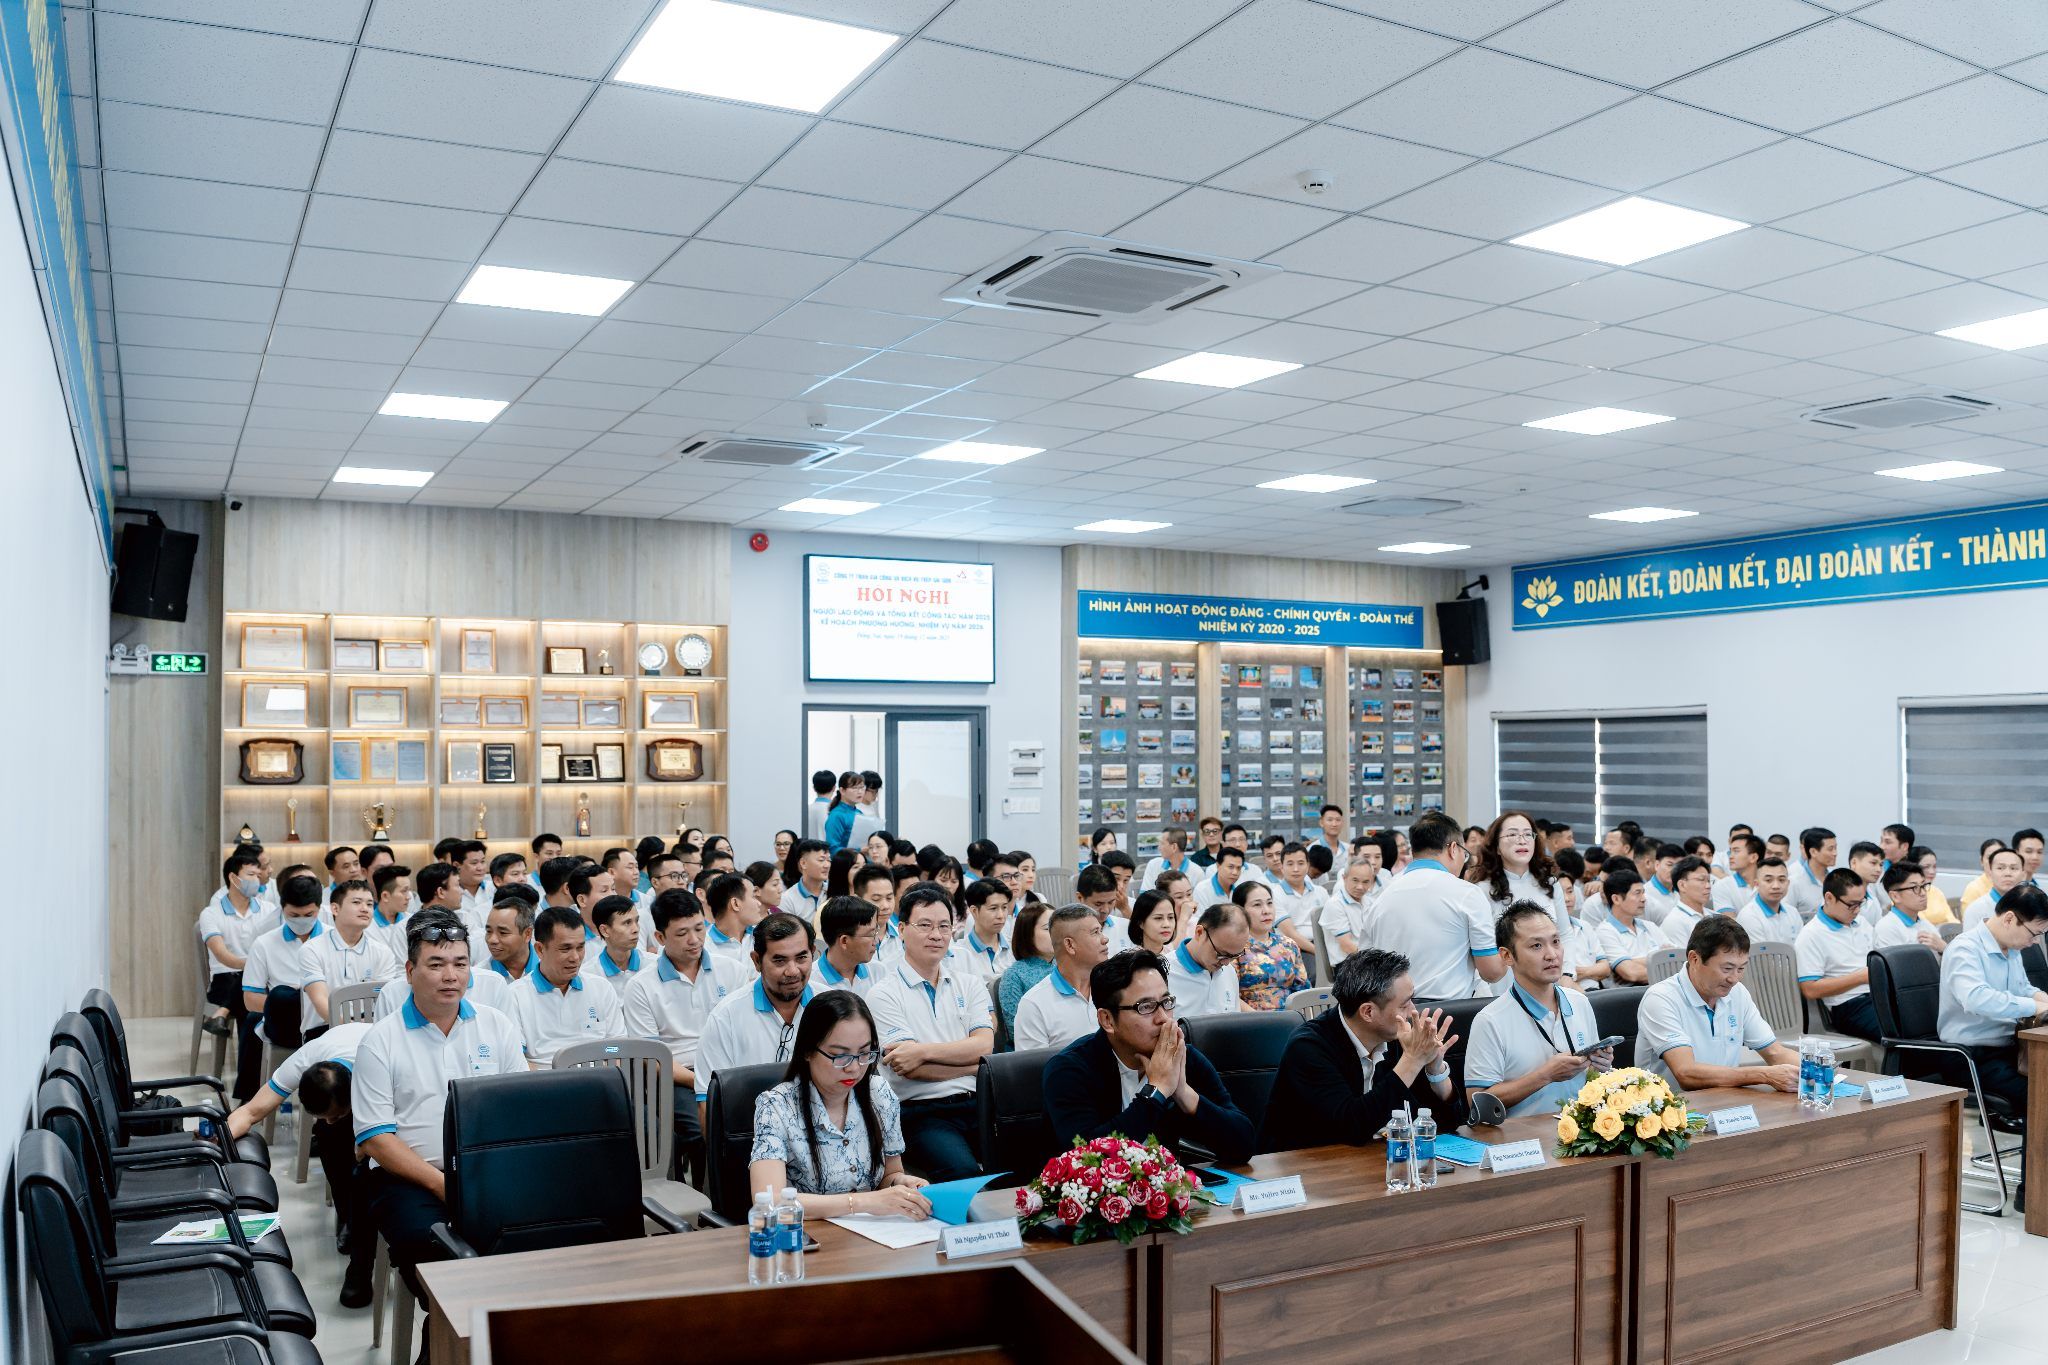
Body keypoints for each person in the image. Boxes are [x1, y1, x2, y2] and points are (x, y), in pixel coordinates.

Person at [352, 912, 528, 1299]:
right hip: (408, 1179)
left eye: (460, 964)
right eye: (436, 965)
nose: (451, 976)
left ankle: (495, 1324)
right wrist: (444, 1186)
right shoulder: (380, 1041)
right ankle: (449, 1330)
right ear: (410, 971)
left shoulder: (497, 1026)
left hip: (487, 1171)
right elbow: (377, 1140)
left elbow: (518, 1110)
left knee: (539, 1238)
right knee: (436, 1251)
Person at [1041, 949, 1255, 1165]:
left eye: (1166, 1002)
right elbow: (1087, 1159)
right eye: (1146, 1007)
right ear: (1107, 1020)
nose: (1163, 1018)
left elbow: (1244, 1145)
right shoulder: (1069, 1070)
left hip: (1166, 1184)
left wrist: (1183, 1093)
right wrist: (1156, 1091)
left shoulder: (1181, 1057)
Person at [222, 1020, 375, 1305]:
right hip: (348, 1081)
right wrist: (218, 1141)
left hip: (391, 1104)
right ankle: (349, 1217)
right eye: (323, 1115)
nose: (331, 1120)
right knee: (330, 1138)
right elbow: (251, 1111)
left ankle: (361, 1263)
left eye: (336, 1114)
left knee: (367, 1169)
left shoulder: (381, 1063)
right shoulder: (305, 1059)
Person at [747, 990, 931, 1219]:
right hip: (806, 1233)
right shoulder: (776, 1106)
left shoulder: (879, 1093)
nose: (854, 1068)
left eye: (864, 1053)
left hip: (872, 1231)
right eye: (840, 1056)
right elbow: (771, 1201)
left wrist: (901, 1184)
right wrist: (862, 1202)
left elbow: (890, 1174)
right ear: (807, 1051)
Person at [1262, 947, 1459, 1152]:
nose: (1412, 1011)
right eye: (1404, 1004)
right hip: (1309, 1163)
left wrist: (1435, 1071)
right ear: (1368, 1012)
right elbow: (1352, 1127)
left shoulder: (1396, 1037)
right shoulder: (1308, 1048)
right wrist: (1412, 1061)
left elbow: (1447, 1123)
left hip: (1375, 1159)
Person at [864, 885, 992, 1179]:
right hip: (920, 1112)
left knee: (1022, 1161)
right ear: (902, 929)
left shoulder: (969, 984)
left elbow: (984, 1046)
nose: (936, 935)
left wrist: (921, 1051)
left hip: (979, 1102)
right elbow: (911, 1069)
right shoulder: (883, 993)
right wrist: (973, 1067)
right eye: (925, 925)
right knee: (963, 1172)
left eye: (944, 926)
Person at [621, 887, 748, 1173]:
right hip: (677, 1077)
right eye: (681, 933)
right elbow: (653, 1059)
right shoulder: (641, 986)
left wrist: (725, 1079)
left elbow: (743, 1031)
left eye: (699, 929)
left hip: (728, 1070)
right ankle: (705, 1195)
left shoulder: (732, 971)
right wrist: (701, 1081)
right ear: (660, 937)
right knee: (701, 1131)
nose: (694, 940)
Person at [1464, 905, 1612, 1118]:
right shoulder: (1490, 1020)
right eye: (1536, 945)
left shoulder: (1579, 1002)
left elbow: (1590, 1080)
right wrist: (1545, 1075)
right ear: (1507, 956)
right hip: (1523, 1137)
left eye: (1556, 942)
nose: (1552, 955)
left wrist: (1599, 1065)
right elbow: (1477, 1102)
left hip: (1579, 1130)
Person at [1636, 916, 1799, 1093]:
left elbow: (1775, 1053)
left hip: (1725, 1100)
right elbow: (1686, 1073)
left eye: (1741, 968)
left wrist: (1815, 1069)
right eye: (1727, 969)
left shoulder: (1738, 993)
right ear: (1694, 959)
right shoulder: (1661, 998)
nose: (1734, 979)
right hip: (1673, 1106)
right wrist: (1764, 1075)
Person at [1937, 884, 2048, 1122]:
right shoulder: (1965, 949)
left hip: (2009, 1048)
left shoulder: (2011, 948)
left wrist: (2043, 999)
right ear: (2009, 919)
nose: (2035, 942)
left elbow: (2023, 989)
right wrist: (2034, 1007)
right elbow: (1976, 999)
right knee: (2041, 1094)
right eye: (2034, 934)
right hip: (1970, 1056)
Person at [693, 913, 817, 1121]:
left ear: (813, 953)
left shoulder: (832, 1007)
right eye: (780, 960)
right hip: (750, 1132)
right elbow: (708, 1103)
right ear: (757, 961)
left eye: (801, 958)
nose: (793, 971)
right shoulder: (726, 1017)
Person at [1367, 813, 1504, 1001]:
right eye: (1464, 854)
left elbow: (1367, 962)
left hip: (1394, 1012)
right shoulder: (1467, 893)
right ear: (1453, 849)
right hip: (1449, 1012)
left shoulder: (1381, 896)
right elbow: (1491, 972)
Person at [200, 849, 275, 1100]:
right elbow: (222, 955)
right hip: (225, 979)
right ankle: (251, 1093)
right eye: (251, 874)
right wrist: (254, 965)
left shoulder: (268, 910)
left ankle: (222, 1013)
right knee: (251, 1008)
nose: (258, 879)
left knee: (252, 1004)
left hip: (259, 980)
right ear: (234, 878)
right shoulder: (212, 913)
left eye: (258, 874)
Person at [508, 904, 624, 1067]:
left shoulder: (601, 988)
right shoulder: (515, 996)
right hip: (543, 1080)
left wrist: (603, 1063)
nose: (575, 957)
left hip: (598, 1076)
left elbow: (617, 1048)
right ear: (540, 949)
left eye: (580, 947)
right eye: (565, 949)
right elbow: (515, 1060)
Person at [241, 872, 332, 1050]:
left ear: (319, 908)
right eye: (294, 915)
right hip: (285, 1020)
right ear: (282, 908)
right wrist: (292, 1005)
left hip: (326, 1018)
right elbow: (250, 999)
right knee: (281, 995)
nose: (301, 921)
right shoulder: (264, 943)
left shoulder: (333, 939)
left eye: (309, 914)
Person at [1790, 867, 1882, 1041]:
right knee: (1902, 1029)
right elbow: (1810, 989)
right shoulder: (1812, 934)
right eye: (1851, 905)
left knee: (1922, 1019)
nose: (1857, 910)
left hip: (1879, 996)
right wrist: (1860, 977)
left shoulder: (1861, 923)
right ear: (1829, 898)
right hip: (1849, 1006)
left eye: (1860, 903)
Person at [1013, 906, 1111, 1052]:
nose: (1105, 939)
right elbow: (1033, 1065)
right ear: (1070, 945)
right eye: (1095, 932)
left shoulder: (1114, 987)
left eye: (1101, 931)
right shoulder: (1034, 1005)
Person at [305, 877, 402, 1008]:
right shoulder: (312, 949)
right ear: (335, 909)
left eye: (369, 904)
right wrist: (343, 1022)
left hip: (370, 1020)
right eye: (356, 902)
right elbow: (320, 1000)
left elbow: (382, 1001)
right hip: (325, 1021)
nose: (365, 909)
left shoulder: (383, 952)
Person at [1165, 901, 1250, 1016]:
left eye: (1234, 956)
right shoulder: (1164, 972)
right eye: (1221, 953)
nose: (1226, 963)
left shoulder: (1229, 971)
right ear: (1199, 932)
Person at [1232, 881, 1307, 1012]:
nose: (1266, 911)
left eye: (1269, 903)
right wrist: (1263, 1020)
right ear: (1240, 911)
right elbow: (1230, 996)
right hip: (1251, 1020)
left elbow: (1303, 990)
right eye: (1257, 905)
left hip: (1291, 1018)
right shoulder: (1233, 947)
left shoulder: (1288, 944)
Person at [997, 901, 1056, 1048]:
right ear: (1028, 934)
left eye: (1058, 927)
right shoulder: (1013, 976)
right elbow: (1016, 1031)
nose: (1056, 934)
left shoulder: (1066, 965)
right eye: (1047, 928)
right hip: (1037, 1050)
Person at [1592, 865, 1660, 985]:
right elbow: (1631, 973)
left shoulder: (1650, 926)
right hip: (1631, 994)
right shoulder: (1605, 931)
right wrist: (1663, 963)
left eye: (1643, 893)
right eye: (1637, 893)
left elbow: (1679, 959)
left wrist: (1633, 961)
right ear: (1616, 899)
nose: (1644, 899)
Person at [811, 894, 880, 996]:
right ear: (844, 941)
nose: (876, 941)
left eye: (876, 932)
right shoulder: (811, 982)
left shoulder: (879, 972)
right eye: (871, 934)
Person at [951, 878, 1014, 986]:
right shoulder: (959, 953)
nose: (1001, 915)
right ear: (974, 911)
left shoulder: (1015, 947)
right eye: (993, 908)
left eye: (1004, 907)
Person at [1873, 860, 1946, 954]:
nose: (1923, 893)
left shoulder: (1925, 924)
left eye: (1923, 886)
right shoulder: (1887, 927)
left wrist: (1943, 948)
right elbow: (1896, 963)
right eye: (1915, 888)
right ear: (1895, 896)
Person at [1266, 842, 1322, 960]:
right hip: (1291, 948)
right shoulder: (1275, 895)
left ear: (1308, 865)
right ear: (1282, 867)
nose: (1296, 869)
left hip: (1321, 944)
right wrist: (1321, 953)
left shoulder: (1321, 892)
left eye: (1301, 863)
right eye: (1290, 864)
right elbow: (1290, 934)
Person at [1733, 856, 1803, 946]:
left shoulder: (1793, 913)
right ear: (1756, 884)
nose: (1776, 886)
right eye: (1769, 880)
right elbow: (1760, 954)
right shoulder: (1749, 916)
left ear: (1788, 883)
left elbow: (1802, 948)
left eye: (1781, 880)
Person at [1325, 855, 1377, 963]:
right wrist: (1375, 962)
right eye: (1355, 880)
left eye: (1365, 882)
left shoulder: (1371, 902)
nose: (1360, 887)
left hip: (1367, 959)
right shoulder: (1335, 904)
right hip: (1348, 963)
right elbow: (1347, 946)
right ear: (1344, 878)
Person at [1656, 855, 1716, 948]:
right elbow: (1685, 956)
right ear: (1682, 885)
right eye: (1701, 880)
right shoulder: (1674, 922)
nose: (1708, 886)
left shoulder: (1715, 916)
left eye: (1709, 880)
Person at [1965, 847, 2027, 930]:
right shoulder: (1975, 910)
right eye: (2000, 868)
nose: (2007, 873)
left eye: (2013, 868)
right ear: (1990, 873)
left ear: (2023, 875)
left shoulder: (2032, 906)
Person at [1786, 827, 1835, 919]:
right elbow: (1786, 917)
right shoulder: (1794, 881)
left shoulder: (1836, 879)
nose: (1835, 853)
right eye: (1830, 849)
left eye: (1835, 848)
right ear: (1813, 852)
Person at [1713, 834, 1765, 913]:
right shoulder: (1722, 886)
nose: (1730, 856)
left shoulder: (1770, 884)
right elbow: (1728, 919)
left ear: (1753, 857)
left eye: (1736, 851)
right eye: (1730, 852)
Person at [781, 838, 830, 922]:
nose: (827, 865)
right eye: (821, 860)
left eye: (829, 860)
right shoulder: (787, 899)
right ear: (803, 863)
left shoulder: (834, 893)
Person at [1191, 846, 1248, 912]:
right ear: (1218, 866)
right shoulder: (1202, 889)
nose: (1235, 872)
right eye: (1230, 867)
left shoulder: (1241, 888)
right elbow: (1198, 917)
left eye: (1238, 868)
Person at [1913, 846, 1957, 925]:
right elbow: (1921, 925)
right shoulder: (1904, 895)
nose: (1932, 872)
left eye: (1934, 867)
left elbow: (1951, 919)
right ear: (1912, 867)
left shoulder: (1936, 892)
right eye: (1926, 867)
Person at [1128, 889, 1179, 954]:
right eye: (1158, 918)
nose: (1166, 924)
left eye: (1170, 917)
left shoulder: (1175, 956)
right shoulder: (1130, 959)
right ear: (1141, 923)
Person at [1311, 803, 1350, 876]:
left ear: (1342, 823)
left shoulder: (1349, 849)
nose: (1334, 824)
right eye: (1330, 820)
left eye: (1338, 820)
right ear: (1321, 822)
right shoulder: (1311, 849)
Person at [806, 770, 835, 841]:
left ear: (814, 788)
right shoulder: (836, 810)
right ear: (834, 788)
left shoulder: (806, 810)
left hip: (807, 847)